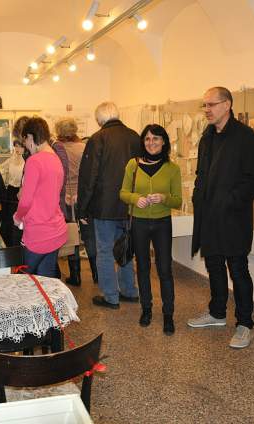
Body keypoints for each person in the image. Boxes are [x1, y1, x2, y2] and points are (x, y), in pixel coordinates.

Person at [187, 86, 254, 349]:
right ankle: (217, 313)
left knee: (238, 269)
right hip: (209, 216)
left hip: (233, 217)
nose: (207, 110)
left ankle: (245, 323)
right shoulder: (207, 137)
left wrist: (230, 200)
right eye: (205, 105)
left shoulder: (246, 138)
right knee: (214, 265)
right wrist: (198, 196)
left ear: (227, 105)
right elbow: (201, 174)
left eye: (211, 104)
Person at [78, 101, 141, 309]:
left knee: (105, 251)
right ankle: (130, 291)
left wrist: (82, 209)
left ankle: (110, 296)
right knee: (126, 247)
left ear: (99, 119)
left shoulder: (98, 139)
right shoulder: (135, 137)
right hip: (130, 204)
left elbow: (89, 177)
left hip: (104, 206)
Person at [120, 124, 182, 335]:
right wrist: (135, 199)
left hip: (162, 223)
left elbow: (178, 200)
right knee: (143, 267)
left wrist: (164, 198)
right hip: (139, 223)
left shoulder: (172, 168)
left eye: (156, 138)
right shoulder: (133, 165)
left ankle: (168, 314)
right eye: (147, 139)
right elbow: (123, 193)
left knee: (164, 268)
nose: (151, 142)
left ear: (164, 142)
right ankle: (146, 309)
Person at [14, 117, 67, 277]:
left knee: (21, 279)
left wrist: (18, 217)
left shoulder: (34, 161)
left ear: (30, 137)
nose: (26, 146)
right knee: (46, 280)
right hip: (56, 230)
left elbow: (26, 200)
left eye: (25, 140)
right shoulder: (56, 159)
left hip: (38, 233)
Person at [56, 117, 88, 286]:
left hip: (64, 198)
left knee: (70, 235)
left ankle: (75, 275)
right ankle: (96, 274)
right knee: (88, 235)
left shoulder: (57, 150)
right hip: (81, 197)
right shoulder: (83, 148)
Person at [0, 139, 26, 246]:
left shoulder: (27, 161)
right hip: (10, 192)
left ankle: (16, 246)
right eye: (16, 146)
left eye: (20, 146)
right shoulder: (11, 160)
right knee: (7, 219)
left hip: (20, 192)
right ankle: (7, 245)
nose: (17, 149)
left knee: (18, 220)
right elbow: (0, 169)